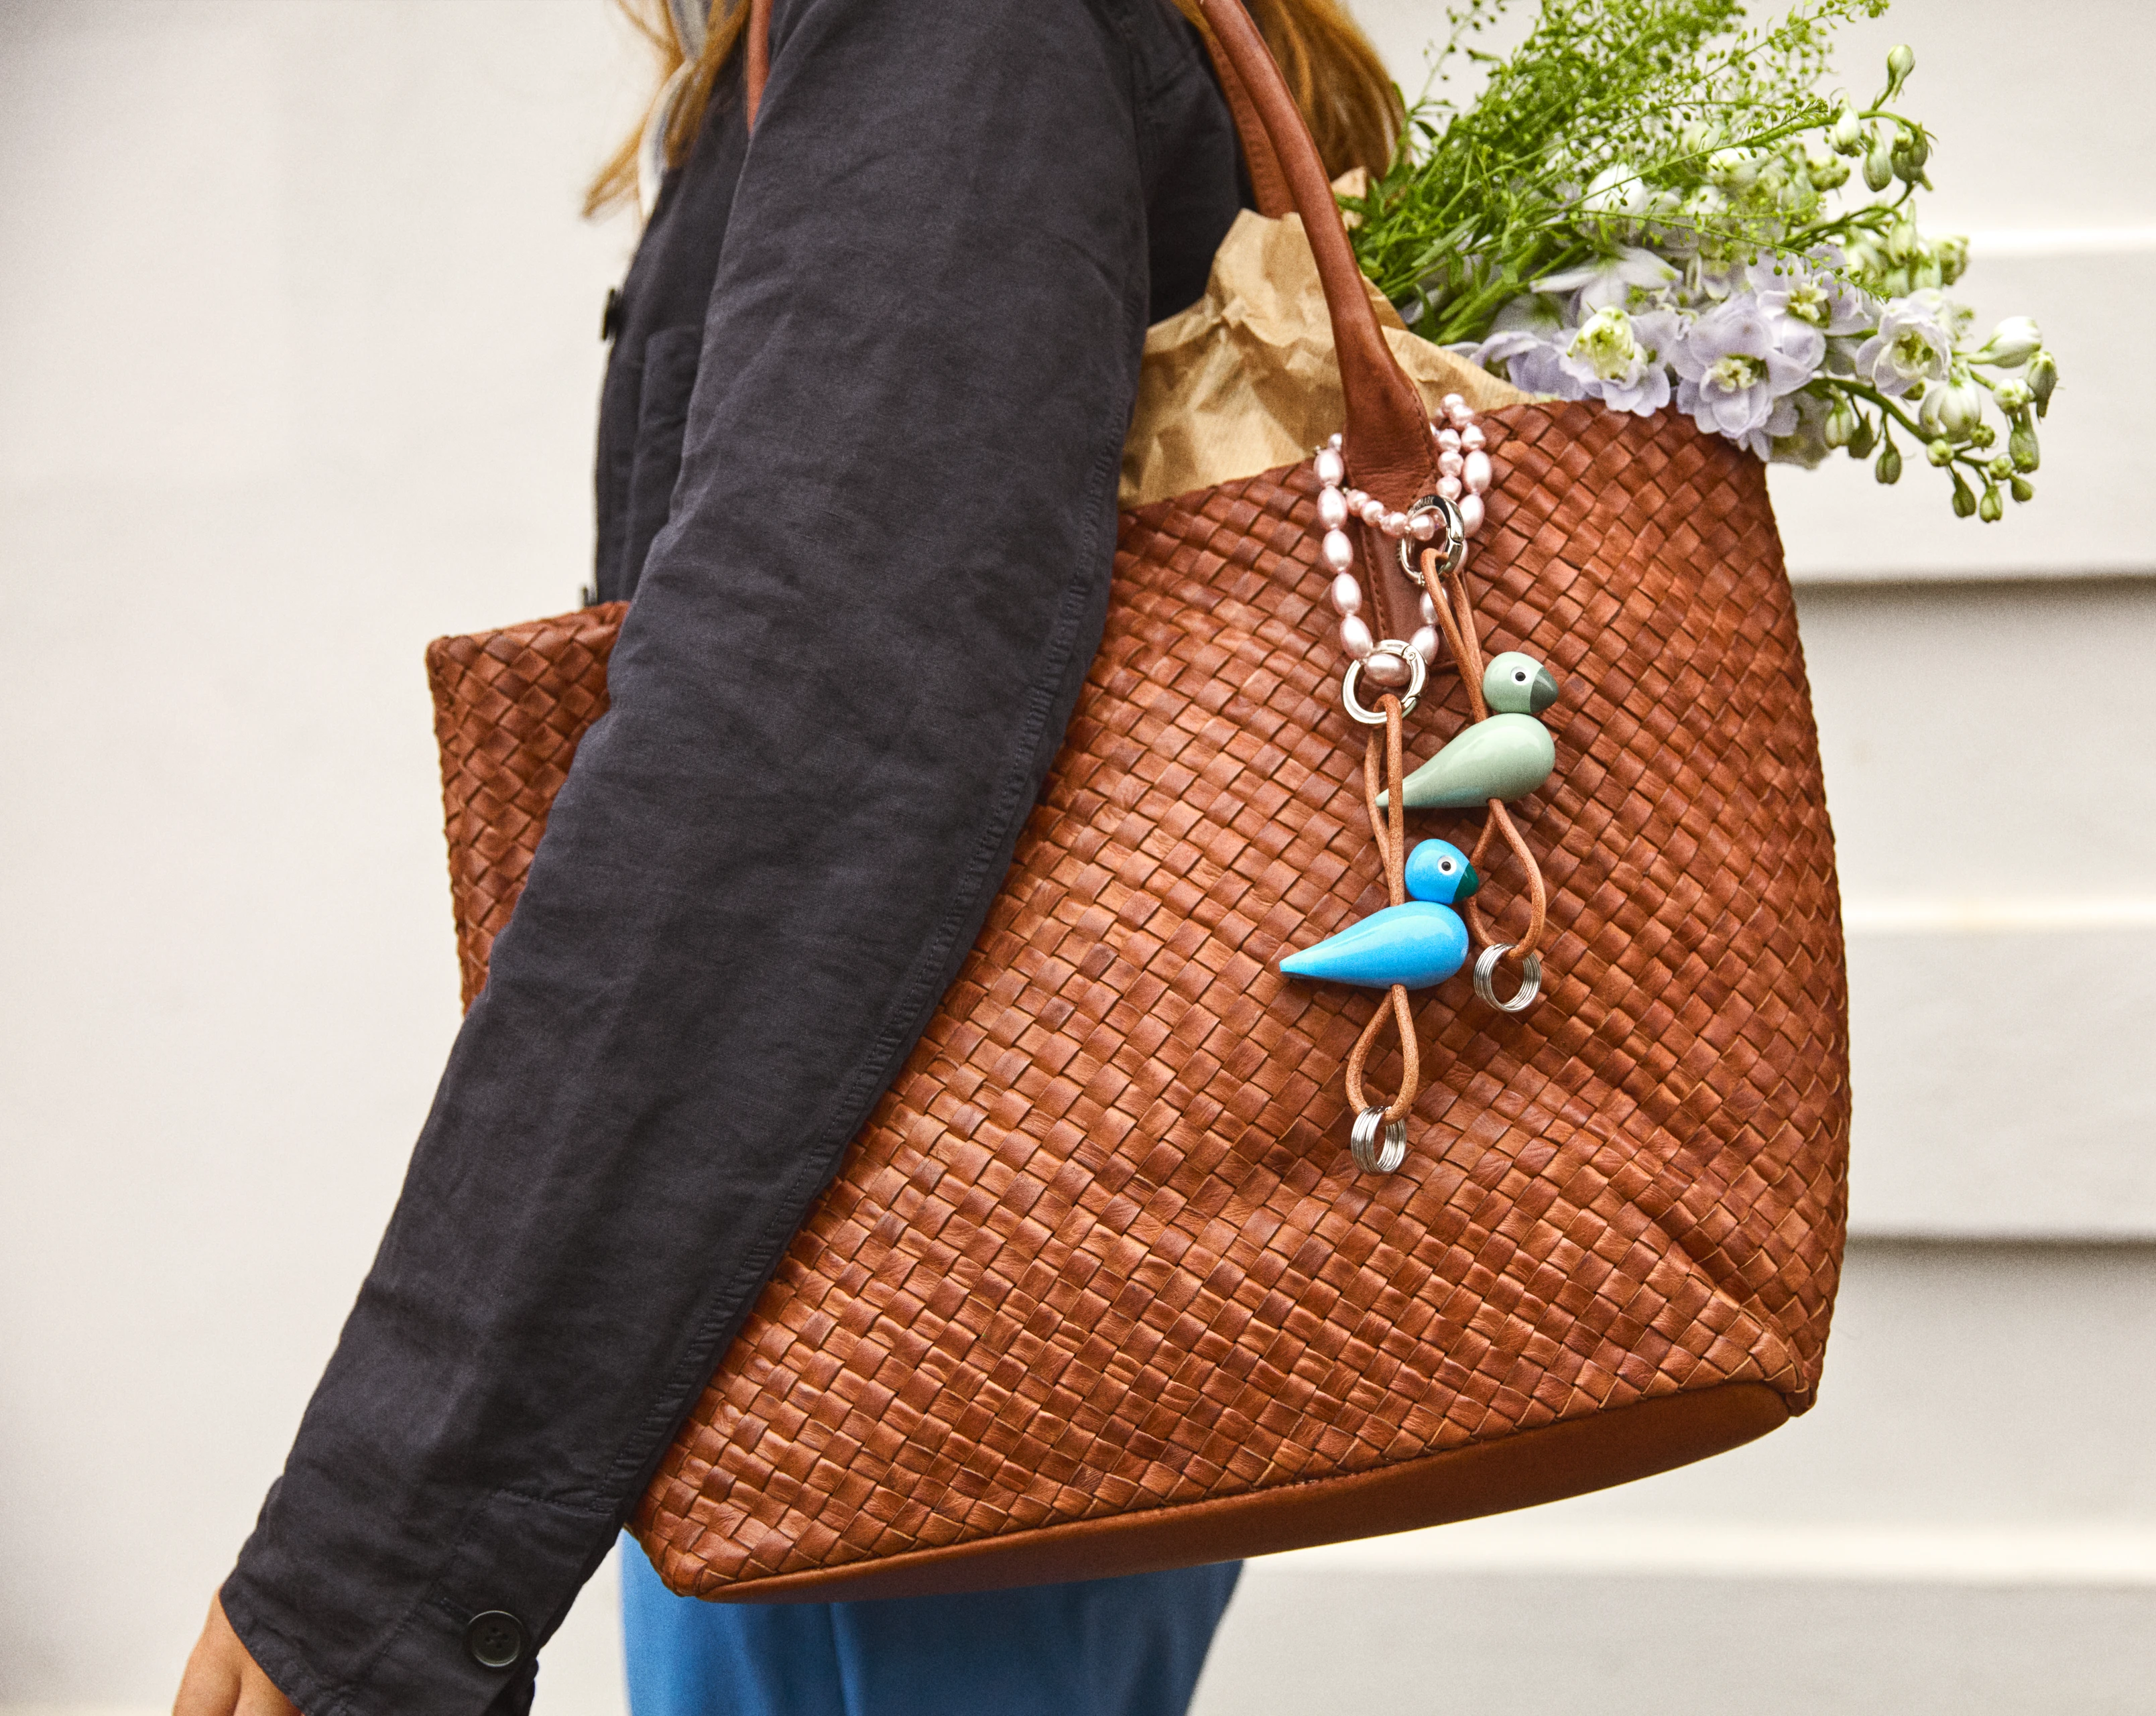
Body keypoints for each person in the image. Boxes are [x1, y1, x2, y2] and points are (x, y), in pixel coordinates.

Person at [170, 0, 1400, 1711]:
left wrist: (381, 1556)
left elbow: (794, 736)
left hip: (904, 1330)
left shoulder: (952, 27)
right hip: (959, 1297)